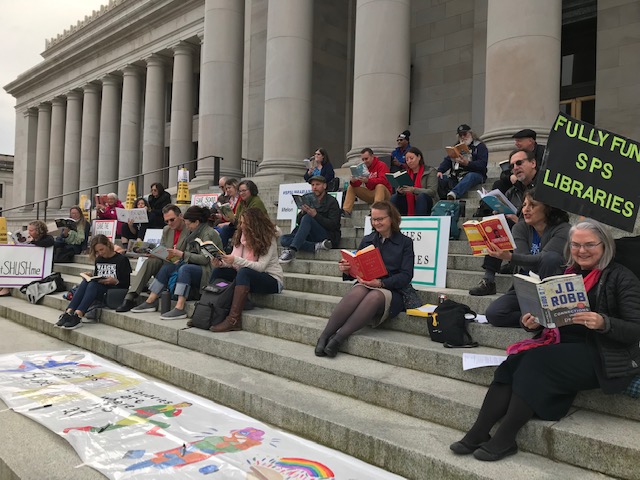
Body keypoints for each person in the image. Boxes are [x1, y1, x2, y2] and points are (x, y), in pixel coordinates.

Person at [451, 219, 640, 461]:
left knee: (536, 363)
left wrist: (604, 322)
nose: (581, 251)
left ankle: (505, 438)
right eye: (575, 245)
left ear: (605, 246)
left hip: (603, 353)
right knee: (513, 362)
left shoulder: (621, 277)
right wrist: (533, 321)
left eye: (589, 245)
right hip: (564, 345)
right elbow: (550, 316)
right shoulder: (566, 273)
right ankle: (478, 432)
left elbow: (635, 329)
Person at [315, 201, 414, 358]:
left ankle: (338, 339)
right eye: (374, 219)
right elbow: (358, 267)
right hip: (367, 283)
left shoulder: (405, 243)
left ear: (392, 219)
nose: (376, 223)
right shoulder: (368, 239)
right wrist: (347, 269)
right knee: (358, 291)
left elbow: (406, 275)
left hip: (392, 290)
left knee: (374, 295)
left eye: (380, 219)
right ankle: (325, 335)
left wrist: (381, 283)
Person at [484, 189, 570, 327]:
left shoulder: (564, 229)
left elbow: (545, 260)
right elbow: (526, 264)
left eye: (533, 205)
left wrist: (511, 256)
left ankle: (550, 314)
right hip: (527, 286)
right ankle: (535, 320)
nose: (526, 209)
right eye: (524, 205)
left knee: (550, 258)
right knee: (494, 313)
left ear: (548, 208)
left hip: (552, 290)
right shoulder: (520, 227)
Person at [130, 206, 222, 319]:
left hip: (208, 270)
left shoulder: (209, 233)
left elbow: (205, 259)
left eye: (189, 224)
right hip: (192, 265)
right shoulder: (195, 232)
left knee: (185, 269)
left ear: (197, 222)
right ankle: (151, 300)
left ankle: (180, 307)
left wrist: (182, 255)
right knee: (168, 267)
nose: (187, 227)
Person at [470, 148, 538, 295]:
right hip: (517, 233)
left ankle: (495, 276)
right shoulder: (513, 191)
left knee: (508, 224)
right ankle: (489, 279)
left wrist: (518, 220)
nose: (515, 168)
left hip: (538, 236)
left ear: (533, 163)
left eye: (519, 163)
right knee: (496, 222)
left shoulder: (544, 188)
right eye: (512, 165)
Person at [207, 208, 284, 333]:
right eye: (241, 223)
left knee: (244, 272)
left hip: (272, 280)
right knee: (219, 272)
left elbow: (260, 267)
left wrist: (235, 260)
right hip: (247, 277)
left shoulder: (268, 238)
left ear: (254, 224)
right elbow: (234, 263)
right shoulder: (240, 237)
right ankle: (207, 308)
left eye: (244, 223)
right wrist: (221, 264)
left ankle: (233, 320)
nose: (241, 226)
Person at [115, 204, 190, 312]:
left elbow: (187, 253)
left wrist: (168, 254)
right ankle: (130, 297)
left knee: (164, 264)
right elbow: (163, 248)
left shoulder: (189, 230)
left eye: (172, 220)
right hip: (167, 260)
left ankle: (151, 298)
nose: (169, 223)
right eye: (167, 221)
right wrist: (154, 253)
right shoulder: (167, 229)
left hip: (180, 262)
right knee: (150, 261)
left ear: (181, 216)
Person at [55, 235, 131, 330]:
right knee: (86, 282)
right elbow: (98, 277)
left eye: (101, 249)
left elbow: (126, 284)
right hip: (101, 288)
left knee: (92, 285)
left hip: (115, 290)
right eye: (97, 251)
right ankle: (69, 312)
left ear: (108, 245)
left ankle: (78, 315)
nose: (100, 253)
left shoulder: (122, 260)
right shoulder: (99, 259)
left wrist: (115, 281)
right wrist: (90, 276)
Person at [279, 175, 341, 263]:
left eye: (317, 184)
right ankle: (315, 246)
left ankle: (292, 250)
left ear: (324, 186)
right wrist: (303, 212)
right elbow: (299, 223)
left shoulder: (332, 202)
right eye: (312, 185)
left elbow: (333, 225)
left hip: (328, 235)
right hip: (311, 235)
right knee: (284, 239)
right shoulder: (308, 199)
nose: (314, 187)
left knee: (308, 218)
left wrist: (315, 215)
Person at [0, 220, 55, 297]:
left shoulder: (47, 238)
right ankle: (3, 285)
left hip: (38, 266)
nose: (29, 232)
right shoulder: (32, 239)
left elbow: (49, 242)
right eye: (28, 230)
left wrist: (32, 243)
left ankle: (6, 287)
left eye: (31, 230)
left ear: (39, 231)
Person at [437, 124, 488, 200]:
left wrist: (468, 163)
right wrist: (440, 170)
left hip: (476, 174)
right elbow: (448, 160)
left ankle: (454, 193)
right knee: (440, 178)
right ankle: (443, 200)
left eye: (465, 134)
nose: (463, 137)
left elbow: (482, 164)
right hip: (457, 175)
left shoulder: (480, 146)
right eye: (460, 135)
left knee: (470, 176)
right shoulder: (456, 147)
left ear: (471, 134)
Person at [341, 148, 392, 218]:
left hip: (385, 194)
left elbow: (384, 181)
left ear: (372, 156)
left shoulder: (381, 165)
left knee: (379, 186)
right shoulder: (362, 167)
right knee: (351, 187)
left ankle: (375, 211)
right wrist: (353, 181)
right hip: (371, 193)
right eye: (363, 159)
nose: (364, 161)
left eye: (366, 159)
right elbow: (358, 184)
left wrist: (368, 181)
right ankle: (346, 211)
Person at [390, 146, 438, 216]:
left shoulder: (430, 171)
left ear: (419, 157)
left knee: (422, 196)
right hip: (408, 203)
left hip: (426, 202)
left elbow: (432, 191)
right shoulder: (405, 173)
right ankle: (396, 222)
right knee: (394, 197)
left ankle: (419, 221)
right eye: (407, 160)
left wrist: (414, 190)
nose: (409, 161)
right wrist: (400, 192)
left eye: (411, 158)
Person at [218, 180, 267, 249]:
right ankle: (220, 251)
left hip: (255, 228)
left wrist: (234, 221)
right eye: (240, 191)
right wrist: (231, 219)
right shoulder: (242, 202)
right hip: (242, 226)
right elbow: (237, 218)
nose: (241, 193)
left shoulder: (256, 202)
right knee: (225, 229)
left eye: (244, 190)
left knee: (230, 230)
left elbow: (252, 222)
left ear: (251, 190)